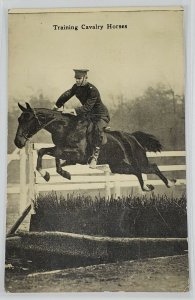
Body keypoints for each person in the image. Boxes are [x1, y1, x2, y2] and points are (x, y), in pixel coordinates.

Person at [53, 69, 110, 168]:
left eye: (79, 79)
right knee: (75, 126)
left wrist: (69, 110)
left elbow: (87, 107)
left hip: (101, 116)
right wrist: (56, 105)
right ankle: (72, 157)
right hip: (89, 115)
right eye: (76, 79)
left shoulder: (93, 90)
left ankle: (95, 157)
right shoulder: (76, 87)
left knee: (97, 129)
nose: (77, 81)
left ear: (85, 78)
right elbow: (67, 95)